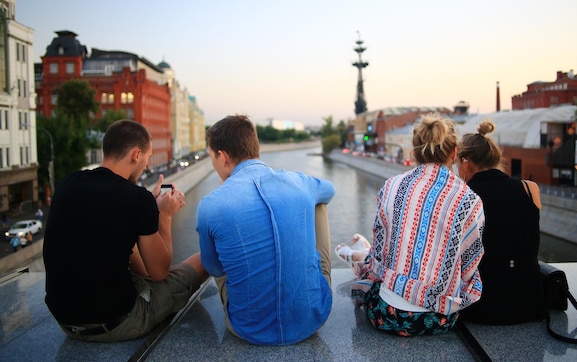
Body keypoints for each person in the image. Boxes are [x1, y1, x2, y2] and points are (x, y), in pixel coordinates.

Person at [44, 119, 208, 343]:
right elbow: (158, 273)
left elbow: (139, 265)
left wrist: (148, 209)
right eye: (148, 159)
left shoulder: (68, 184)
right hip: (117, 323)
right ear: (136, 155)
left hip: (66, 322)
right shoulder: (135, 198)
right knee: (204, 258)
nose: (147, 167)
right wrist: (164, 215)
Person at [336, 114, 485, 336]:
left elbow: (380, 256)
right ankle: (358, 254)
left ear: (414, 152)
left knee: (375, 265)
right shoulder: (469, 199)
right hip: (440, 319)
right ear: (454, 153)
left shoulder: (391, 187)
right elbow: (469, 267)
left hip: (386, 314)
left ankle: (356, 255)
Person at [196, 115, 335, 345]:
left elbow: (214, 267)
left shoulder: (210, 204)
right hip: (312, 319)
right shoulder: (298, 181)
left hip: (247, 330)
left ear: (222, 156)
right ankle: (313, 284)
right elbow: (329, 190)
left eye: (212, 157)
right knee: (318, 201)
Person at [457, 118, 545, 325]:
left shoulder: (463, 196)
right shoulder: (529, 188)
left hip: (482, 308)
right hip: (531, 302)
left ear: (465, 161)